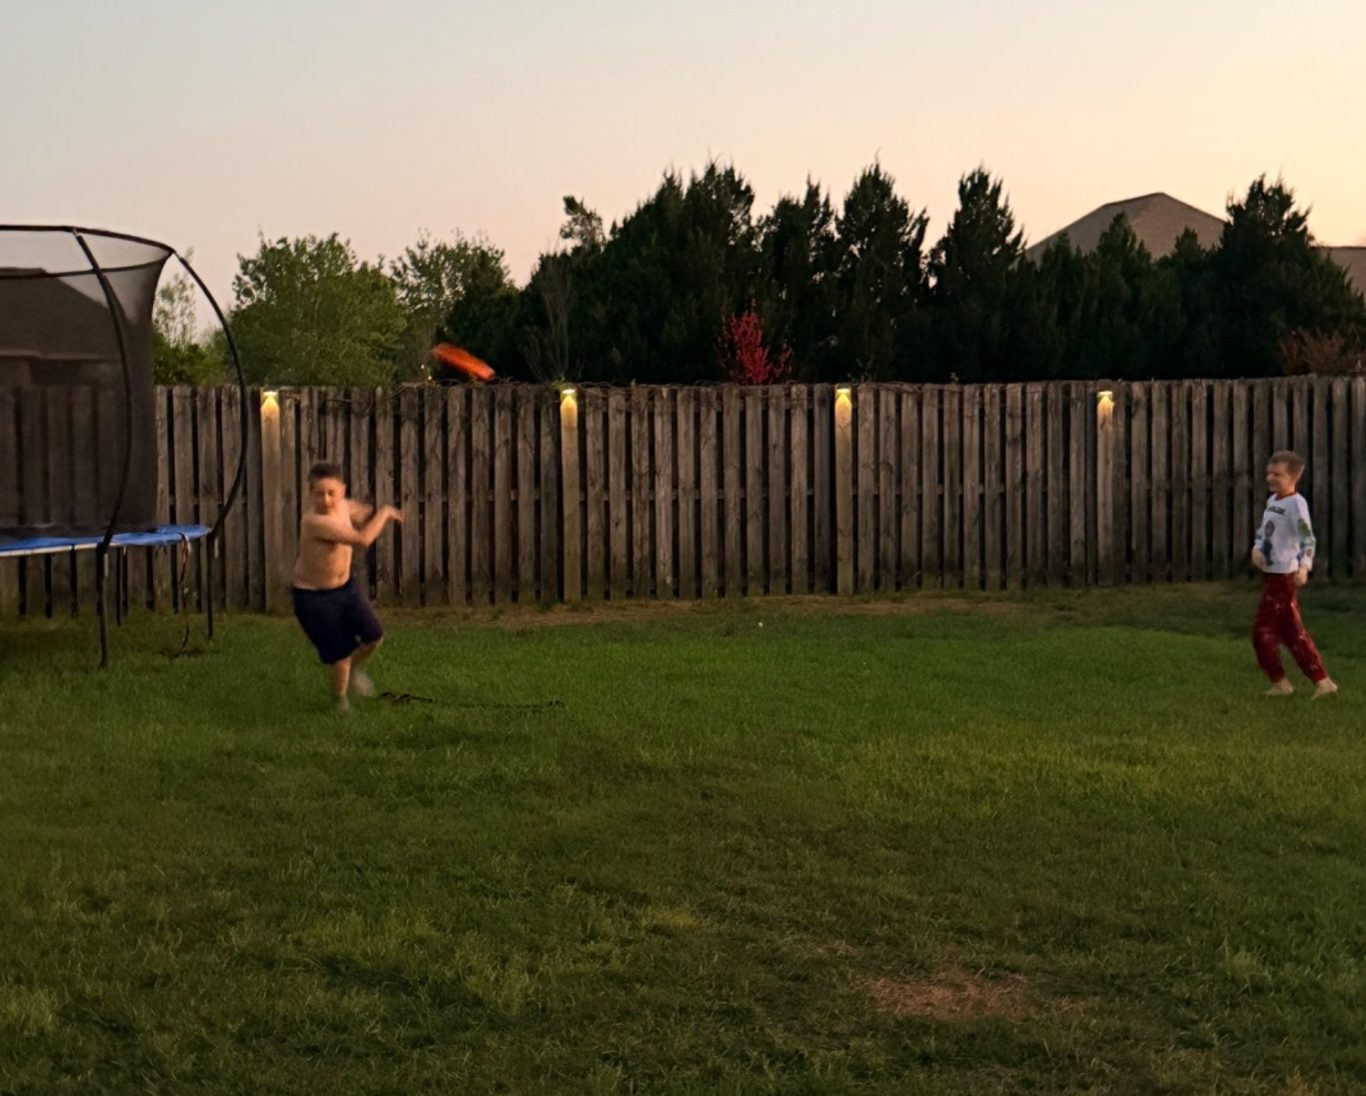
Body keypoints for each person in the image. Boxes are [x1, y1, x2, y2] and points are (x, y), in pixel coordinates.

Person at [291, 461, 402, 712]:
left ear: (342, 490)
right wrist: (384, 514)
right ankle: (340, 703)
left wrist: (367, 512)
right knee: (339, 654)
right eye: (319, 494)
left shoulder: (343, 506)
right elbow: (362, 540)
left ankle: (351, 671)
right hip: (313, 597)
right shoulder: (314, 521)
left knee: (373, 636)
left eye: (331, 493)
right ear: (310, 494)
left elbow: (356, 511)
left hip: (344, 589)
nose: (326, 500)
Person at [1250, 450, 1337, 700]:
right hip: (1270, 575)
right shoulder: (1273, 501)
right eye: (1269, 472)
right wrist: (1257, 548)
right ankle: (1322, 682)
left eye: (1277, 474)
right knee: (1292, 633)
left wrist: (1303, 567)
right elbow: (1264, 532)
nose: (1270, 477)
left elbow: (1307, 538)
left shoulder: (1296, 504)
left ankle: (1281, 682)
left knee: (1262, 633)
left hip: (1283, 579)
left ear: (1293, 478)